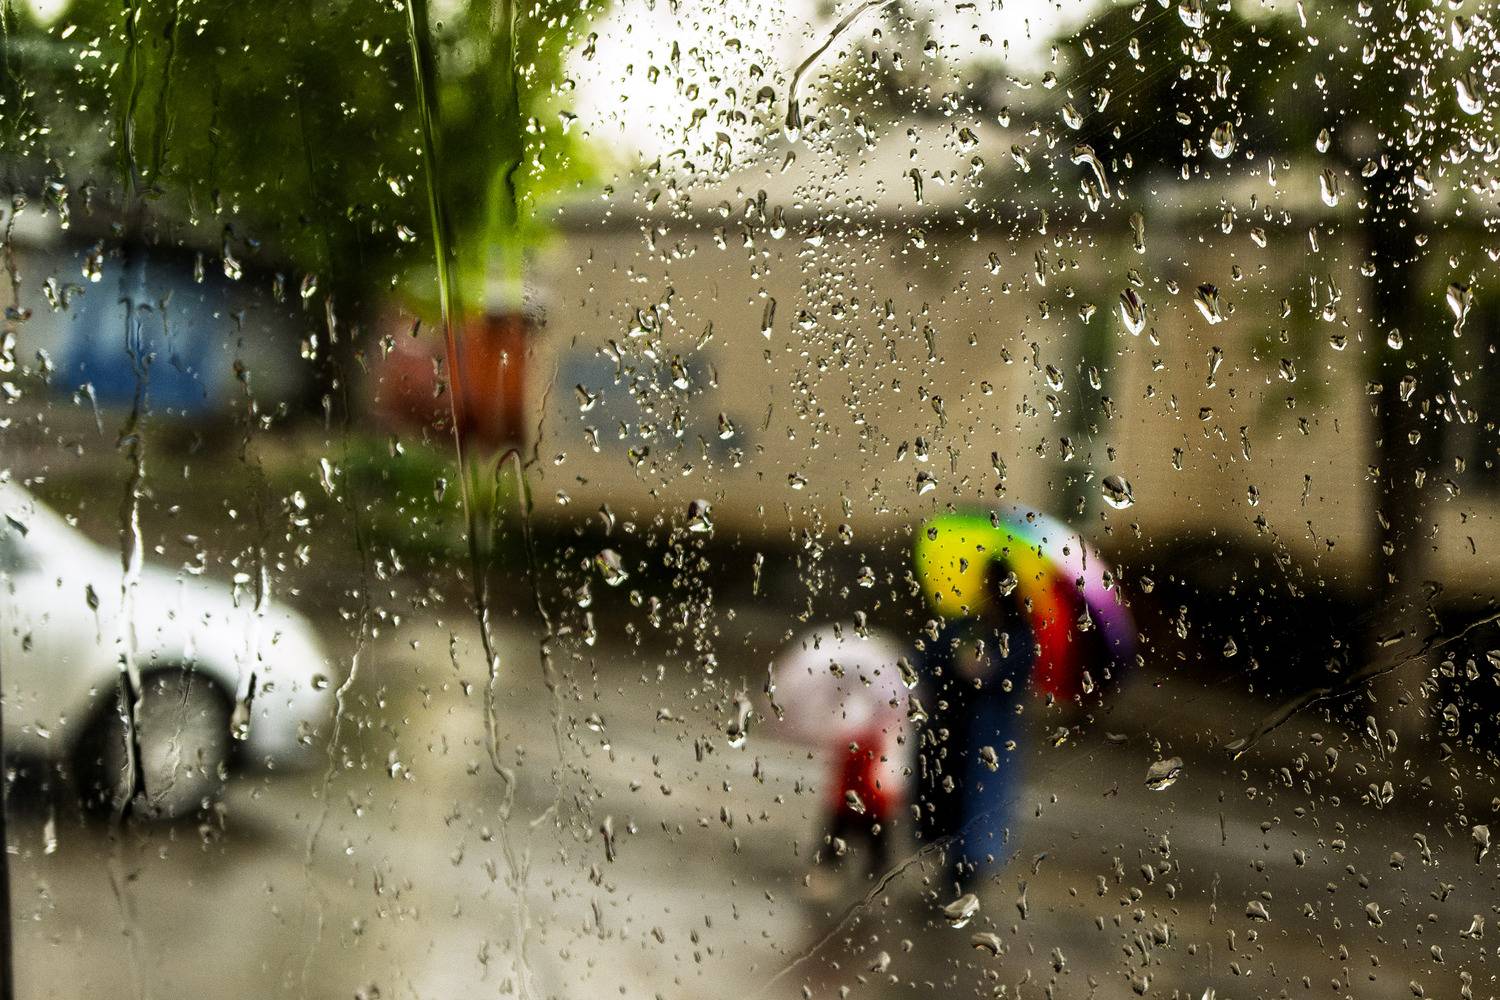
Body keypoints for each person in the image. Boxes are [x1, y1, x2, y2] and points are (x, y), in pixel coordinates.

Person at [914, 561, 1036, 889]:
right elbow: (931, 656)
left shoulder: (1019, 633)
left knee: (982, 795)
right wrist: (958, 663)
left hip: (990, 729)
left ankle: (968, 866)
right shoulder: (968, 624)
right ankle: (950, 858)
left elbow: (1015, 675)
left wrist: (990, 669)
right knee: (946, 793)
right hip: (954, 723)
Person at [770, 625, 910, 891]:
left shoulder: (866, 713)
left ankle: (843, 862)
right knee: (861, 809)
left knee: (857, 810)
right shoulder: (863, 706)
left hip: (867, 759)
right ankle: (868, 864)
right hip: (862, 757)